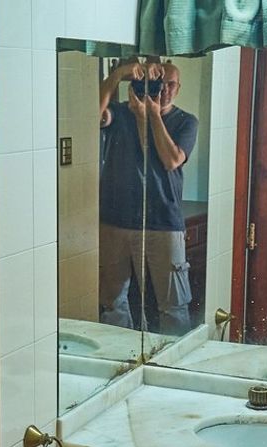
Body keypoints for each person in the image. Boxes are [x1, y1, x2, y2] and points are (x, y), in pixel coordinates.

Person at [98, 59, 199, 336]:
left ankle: (175, 361)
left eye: (170, 84)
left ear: (178, 88)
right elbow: (89, 117)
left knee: (173, 306)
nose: (163, 89)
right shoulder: (121, 113)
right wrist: (118, 74)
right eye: (156, 83)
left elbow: (171, 159)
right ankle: (119, 356)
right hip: (115, 220)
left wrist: (152, 114)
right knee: (112, 302)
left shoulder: (186, 121)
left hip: (163, 221)